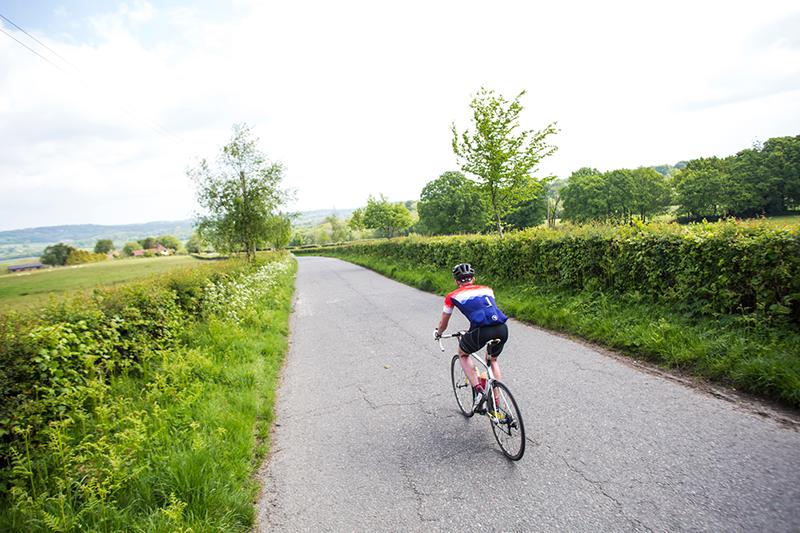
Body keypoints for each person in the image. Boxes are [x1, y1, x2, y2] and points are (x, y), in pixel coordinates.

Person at [434, 263, 509, 413]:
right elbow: (485, 312)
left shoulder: (452, 296)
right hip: (502, 328)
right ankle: (496, 399)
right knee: (492, 360)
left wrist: (438, 333)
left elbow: (443, 323)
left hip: (481, 331)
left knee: (463, 354)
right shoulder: (488, 289)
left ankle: (479, 391)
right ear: (473, 279)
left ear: (456, 281)